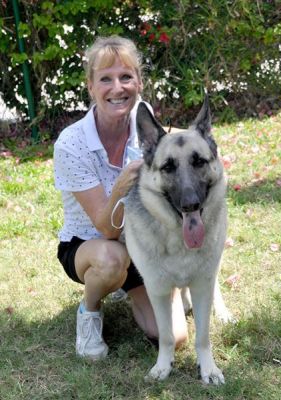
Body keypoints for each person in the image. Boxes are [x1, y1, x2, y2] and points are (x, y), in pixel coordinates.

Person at [53, 36, 188, 361]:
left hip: (141, 244)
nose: (118, 88)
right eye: (105, 79)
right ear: (90, 86)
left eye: (126, 77)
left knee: (174, 338)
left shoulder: (144, 119)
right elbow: (107, 228)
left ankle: (138, 288)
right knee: (111, 259)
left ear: (139, 82)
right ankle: (90, 311)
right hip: (90, 243)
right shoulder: (71, 144)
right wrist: (120, 187)